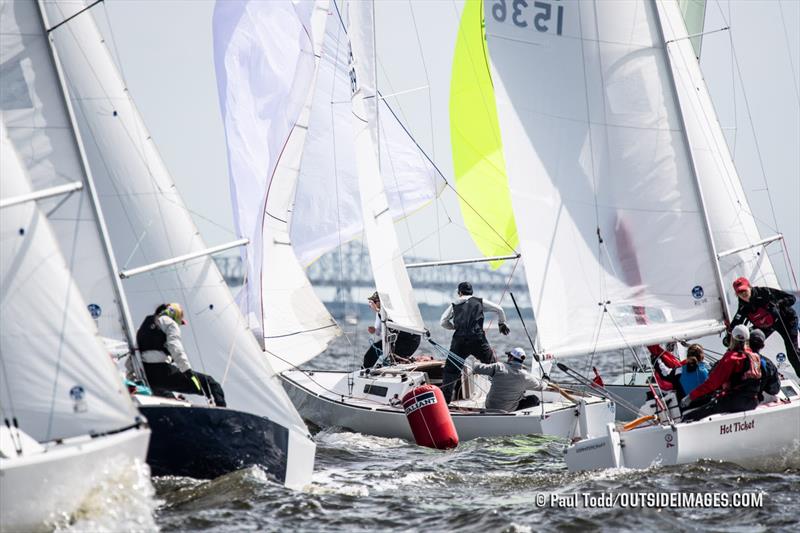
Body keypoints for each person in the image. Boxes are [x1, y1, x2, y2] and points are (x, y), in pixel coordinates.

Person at [136, 303, 226, 406]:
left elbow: (134, 352)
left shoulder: (142, 327)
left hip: (147, 376)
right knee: (210, 383)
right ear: (176, 316)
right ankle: (223, 411)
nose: (179, 325)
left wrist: (134, 377)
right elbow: (175, 347)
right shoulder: (170, 323)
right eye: (180, 322)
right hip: (162, 372)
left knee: (171, 400)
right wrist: (187, 370)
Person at [439, 281, 510, 403]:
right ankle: (504, 396)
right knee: (493, 366)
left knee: (451, 371)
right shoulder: (479, 301)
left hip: (459, 341)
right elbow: (499, 309)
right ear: (472, 292)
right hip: (478, 340)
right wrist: (501, 323)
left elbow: (443, 322)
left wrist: (454, 327)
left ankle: (445, 402)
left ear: (459, 292)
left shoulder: (454, 304)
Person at [680, 325, 760, 421]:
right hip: (753, 401)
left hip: (734, 401)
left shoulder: (731, 358)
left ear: (732, 338)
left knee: (690, 417)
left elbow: (711, 384)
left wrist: (690, 397)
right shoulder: (754, 356)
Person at [728, 276, 799, 376]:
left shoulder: (764, 292)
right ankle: (755, 374)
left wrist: (778, 304)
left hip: (786, 321)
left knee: (792, 352)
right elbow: (737, 321)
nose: (743, 294)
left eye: (744, 290)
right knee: (750, 346)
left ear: (749, 287)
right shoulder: (743, 306)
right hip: (767, 325)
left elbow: (792, 298)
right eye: (739, 292)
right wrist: (730, 334)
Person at [467, 348, 546, 412]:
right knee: (534, 399)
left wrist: (476, 361)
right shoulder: (526, 376)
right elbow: (541, 387)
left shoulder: (499, 367)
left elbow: (476, 368)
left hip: (490, 407)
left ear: (511, 358)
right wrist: (546, 380)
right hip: (507, 410)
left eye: (508, 356)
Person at [362, 292, 421, 369]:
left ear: (382, 302)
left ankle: (399, 369)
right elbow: (378, 331)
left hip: (411, 340)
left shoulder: (394, 309)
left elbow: (391, 321)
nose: (372, 305)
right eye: (371, 302)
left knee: (395, 358)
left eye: (375, 302)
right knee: (374, 349)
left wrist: (377, 310)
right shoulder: (380, 312)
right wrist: (374, 330)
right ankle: (365, 369)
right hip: (398, 339)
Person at [748, 328, 782, 400]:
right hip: (754, 401)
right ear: (762, 346)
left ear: (747, 342)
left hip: (731, 402)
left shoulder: (735, 359)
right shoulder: (768, 364)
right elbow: (775, 390)